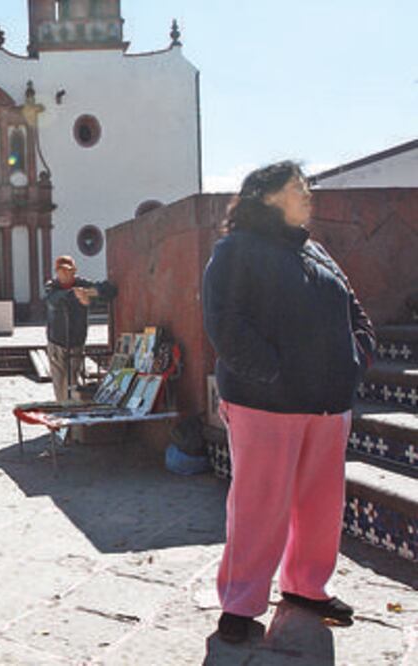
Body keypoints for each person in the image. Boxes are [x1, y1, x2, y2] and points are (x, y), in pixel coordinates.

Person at [202, 161, 375, 643]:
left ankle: (306, 586)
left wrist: (358, 356)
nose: (307, 195)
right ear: (267, 195)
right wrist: (274, 373)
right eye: (297, 188)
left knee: (322, 505)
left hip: (329, 402)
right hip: (265, 403)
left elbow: (354, 311)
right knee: (259, 506)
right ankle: (241, 603)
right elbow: (226, 325)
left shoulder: (317, 251)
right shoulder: (235, 250)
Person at [44, 255, 114, 402]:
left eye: (67, 271)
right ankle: (63, 410)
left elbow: (109, 289)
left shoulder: (82, 283)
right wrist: (74, 293)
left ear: (74, 271)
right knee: (59, 383)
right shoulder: (52, 286)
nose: (64, 274)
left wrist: (90, 293)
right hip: (56, 342)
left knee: (74, 383)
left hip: (77, 341)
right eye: (61, 271)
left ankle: (73, 411)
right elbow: (52, 298)